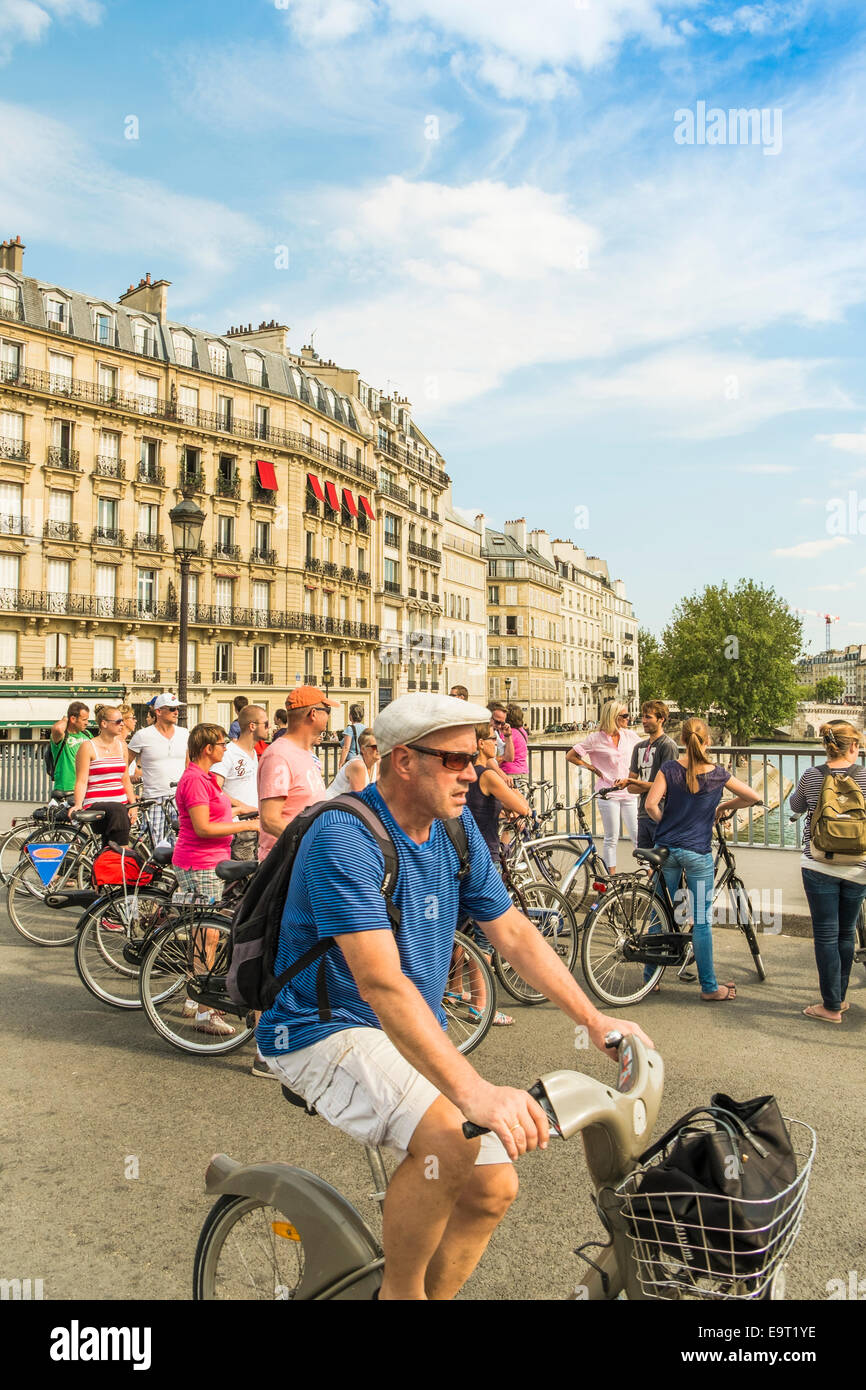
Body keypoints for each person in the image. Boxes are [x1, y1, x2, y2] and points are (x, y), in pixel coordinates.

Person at [256, 693, 653, 1300]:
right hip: (321, 1029)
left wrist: (596, 1020)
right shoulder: (345, 835)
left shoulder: (455, 826)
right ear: (403, 761)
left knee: (493, 1187)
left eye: (478, 756)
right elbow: (381, 984)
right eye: (456, 759)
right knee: (449, 1136)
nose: (475, 772)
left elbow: (513, 932)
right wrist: (475, 1092)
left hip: (404, 1030)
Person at [644, 716, 761, 1001]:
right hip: (697, 852)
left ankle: (650, 979)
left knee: (659, 912)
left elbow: (650, 805)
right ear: (707, 741)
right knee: (701, 919)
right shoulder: (718, 773)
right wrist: (723, 807)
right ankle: (709, 987)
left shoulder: (670, 768)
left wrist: (666, 825)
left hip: (666, 849)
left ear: (682, 740)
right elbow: (753, 796)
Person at [173, 723, 260, 1037]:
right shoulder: (196, 779)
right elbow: (202, 828)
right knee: (209, 936)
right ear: (208, 749)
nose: (226, 748)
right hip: (200, 862)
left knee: (204, 934)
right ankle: (206, 1011)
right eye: (222, 744)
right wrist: (248, 828)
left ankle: (192, 1000)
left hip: (208, 861)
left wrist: (251, 810)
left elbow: (224, 804)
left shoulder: (206, 778)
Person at [788, 720, 866, 1023]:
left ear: (827, 746)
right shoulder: (864, 775)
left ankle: (830, 1005)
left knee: (825, 934)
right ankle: (839, 999)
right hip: (858, 866)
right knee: (846, 933)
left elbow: (795, 806)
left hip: (819, 863)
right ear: (854, 747)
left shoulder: (811, 775)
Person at [462, 722, 532, 1026]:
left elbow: (475, 809)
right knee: (486, 936)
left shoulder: (461, 774)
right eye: (493, 739)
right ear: (480, 744)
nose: (498, 743)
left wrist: (498, 810)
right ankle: (480, 1004)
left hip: (458, 857)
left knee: (461, 930)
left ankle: (454, 992)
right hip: (484, 859)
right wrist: (513, 804)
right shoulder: (487, 775)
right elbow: (523, 807)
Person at [256, 686, 336, 862]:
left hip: (303, 858)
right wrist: (312, 843)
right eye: (327, 710)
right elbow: (270, 820)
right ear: (313, 714)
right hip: (284, 862)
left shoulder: (304, 752)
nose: (329, 716)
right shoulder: (279, 755)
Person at [566, 700, 641, 871]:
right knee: (611, 838)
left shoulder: (630, 736)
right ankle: (610, 878)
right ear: (614, 717)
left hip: (629, 792)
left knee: (638, 836)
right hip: (607, 793)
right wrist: (592, 768)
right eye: (625, 716)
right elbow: (570, 756)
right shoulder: (595, 739)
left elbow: (647, 749)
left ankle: (651, 876)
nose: (628, 719)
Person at [616, 701, 679, 850]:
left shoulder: (667, 746)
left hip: (661, 813)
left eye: (648, 717)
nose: (643, 721)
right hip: (643, 814)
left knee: (665, 864)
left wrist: (635, 783)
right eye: (643, 716)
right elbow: (630, 788)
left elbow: (668, 787)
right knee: (647, 862)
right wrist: (652, 787)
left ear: (661, 719)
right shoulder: (639, 747)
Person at [69, 705, 137, 846]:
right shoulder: (88, 747)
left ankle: (110, 861)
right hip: (97, 804)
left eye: (122, 721)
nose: (122, 724)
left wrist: (133, 804)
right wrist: (77, 804)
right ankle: (123, 855)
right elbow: (81, 780)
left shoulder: (121, 746)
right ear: (104, 724)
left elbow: (124, 778)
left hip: (120, 806)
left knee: (110, 846)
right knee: (118, 811)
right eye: (118, 721)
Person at [127, 693, 189, 843]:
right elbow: (124, 765)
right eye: (172, 709)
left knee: (181, 844)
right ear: (159, 711)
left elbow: (189, 765)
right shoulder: (142, 735)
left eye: (178, 709)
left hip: (179, 798)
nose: (176, 712)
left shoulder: (184, 733)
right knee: (155, 846)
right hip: (154, 799)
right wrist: (129, 794)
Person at [212, 704, 268, 860]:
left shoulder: (252, 752)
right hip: (238, 827)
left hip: (254, 824)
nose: (269, 728)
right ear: (252, 726)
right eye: (266, 724)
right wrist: (242, 807)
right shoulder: (228, 753)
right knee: (241, 881)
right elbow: (214, 789)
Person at [48, 701, 92, 799]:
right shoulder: (62, 736)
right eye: (84, 719)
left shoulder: (87, 734)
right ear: (73, 719)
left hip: (86, 788)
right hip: (66, 790)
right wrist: (65, 718)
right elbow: (58, 728)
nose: (87, 723)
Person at [325, 727, 380, 798]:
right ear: (363, 749)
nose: (379, 749)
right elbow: (361, 800)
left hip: (346, 805)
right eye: (375, 747)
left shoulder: (377, 764)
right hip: (332, 805)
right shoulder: (358, 765)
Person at [499, 704, 529, 791]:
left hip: (509, 772)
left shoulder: (508, 733)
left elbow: (500, 750)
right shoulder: (522, 731)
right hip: (523, 771)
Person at [338, 703, 366, 769]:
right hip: (362, 760)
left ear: (351, 716)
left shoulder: (350, 729)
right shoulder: (365, 728)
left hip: (351, 760)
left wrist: (341, 763)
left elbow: (346, 748)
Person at [487, 701, 515, 766]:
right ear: (488, 717)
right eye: (497, 722)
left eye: (502, 723)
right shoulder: (479, 734)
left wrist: (507, 736)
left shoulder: (495, 733)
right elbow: (485, 762)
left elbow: (509, 757)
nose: (499, 726)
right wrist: (502, 758)